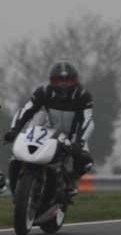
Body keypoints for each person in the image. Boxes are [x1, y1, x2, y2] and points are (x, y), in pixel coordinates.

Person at [4, 61, 94, 196]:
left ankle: (70, 180)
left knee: (86, 161)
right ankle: (15, 187)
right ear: (52, 81)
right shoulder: (44, 92)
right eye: (59, 81)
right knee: (16, 157)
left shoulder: (83, 95)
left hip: (73, 135)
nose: (63, 84)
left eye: (67, 81)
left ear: (75, 81)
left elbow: (87, 120)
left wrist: (79, 143)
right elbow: (27, 109)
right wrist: (14, 130)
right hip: (48, 131)